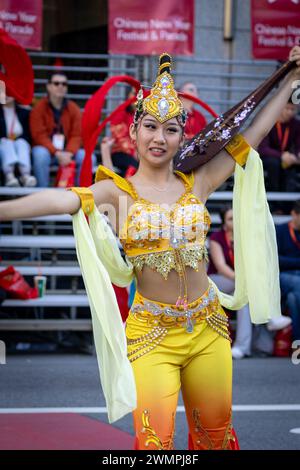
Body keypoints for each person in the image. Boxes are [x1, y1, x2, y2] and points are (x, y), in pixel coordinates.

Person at [1, 47, 300, 450]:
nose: (160, 138)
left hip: (209, 329)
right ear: (134, 130)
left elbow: (254, 132)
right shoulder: (115, 192)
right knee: (155, 443)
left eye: (171, 129)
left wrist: (291, 78)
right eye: (151, 126)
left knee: (215, 437)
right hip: (152, 335)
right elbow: (57, 201)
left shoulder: (200, 181)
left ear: (182, 136)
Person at [208, 206, 291, 359]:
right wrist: (245, 282)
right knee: (246, 290)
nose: (235, 222)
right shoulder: (216, 238)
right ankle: (271, 316)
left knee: (244, 299)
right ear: (224, 222)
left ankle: (241, 347)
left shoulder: (245, 237)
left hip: (241, 286)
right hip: (219, 281)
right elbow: (220, 267)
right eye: (230, 219)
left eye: (236, 218)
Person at [30, 72, 95, 187]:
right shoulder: (38, 108)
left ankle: (80, 196)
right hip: (48, 152)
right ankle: (43, 194)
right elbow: (39, 135)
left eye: (64, 84)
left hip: (68, 152)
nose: (60, 86)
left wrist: (69, 153)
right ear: (48, 86)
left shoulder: (73, 108)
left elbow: (78, 135)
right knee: (39, 154)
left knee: (88, 157)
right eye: (56, 83)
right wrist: (56, 152)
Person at [258, 99, 300, 192]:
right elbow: (263, 149)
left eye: (292, 109)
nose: (289, 112)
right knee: (274, 163)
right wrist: (282, 155)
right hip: (270, 157)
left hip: (288, 158)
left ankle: (289, 202)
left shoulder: (296, 124)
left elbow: (298, 145)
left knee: (291, 165)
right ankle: (275, 198)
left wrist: (296, 156)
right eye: (287, 108)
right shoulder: (269, 122)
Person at [276, 200, 300, 343]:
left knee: (293, 298)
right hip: (283, 276)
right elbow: (276, 260)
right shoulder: (280, 230)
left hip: (294, 279)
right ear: (294, 214)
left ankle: (297, 341)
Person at [0, 96, 36, 187]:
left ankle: (25, 176)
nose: (6, 95)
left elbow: (28, 134)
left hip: (20, 145)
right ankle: (9, 175)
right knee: (6, 142)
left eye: (9, 92)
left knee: (22, 142)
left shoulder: (24, 112)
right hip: (3, 145)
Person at [108, 87, 139, 177]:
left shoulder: (143, 113)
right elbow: (119, 137)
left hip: (139, 153)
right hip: (121, 152)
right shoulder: (121, 111)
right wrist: (135, 152)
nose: (138, 96)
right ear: (127, 95)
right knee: (134, 167)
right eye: (134, 93)